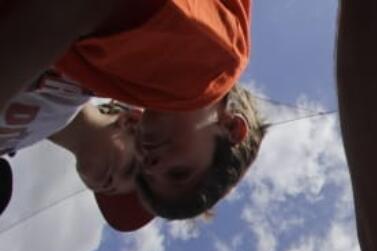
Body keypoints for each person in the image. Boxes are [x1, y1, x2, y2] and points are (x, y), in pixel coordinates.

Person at [0, 0, 266, 227]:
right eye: (178, 173)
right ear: (231, 127)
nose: (150, 166)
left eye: (145, 177)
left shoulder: (126, 80)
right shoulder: (213, 64)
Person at [2, 71, 147, 230]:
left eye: (114, 192)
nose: (113, 185)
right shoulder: (70, 77)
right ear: (130, 123)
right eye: (130, 168)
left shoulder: (12, 143)